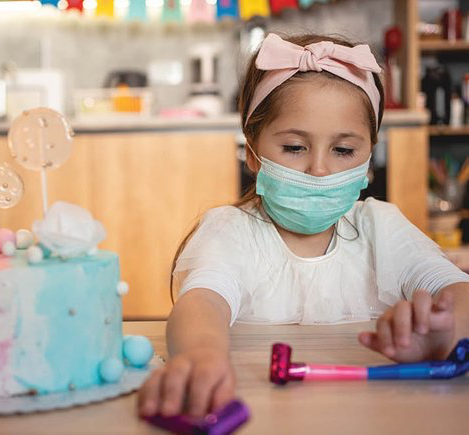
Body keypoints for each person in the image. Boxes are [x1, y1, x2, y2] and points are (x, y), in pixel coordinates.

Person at [137, 33, 469, 419]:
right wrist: (201, 356)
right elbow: (202, 303)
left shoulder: (382, 227)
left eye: (344, 150)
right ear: (253, 153)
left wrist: (443, 331)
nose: (320, 170)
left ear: (369, 159)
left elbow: (458, 293)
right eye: (295, 147)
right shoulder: (230, 231)